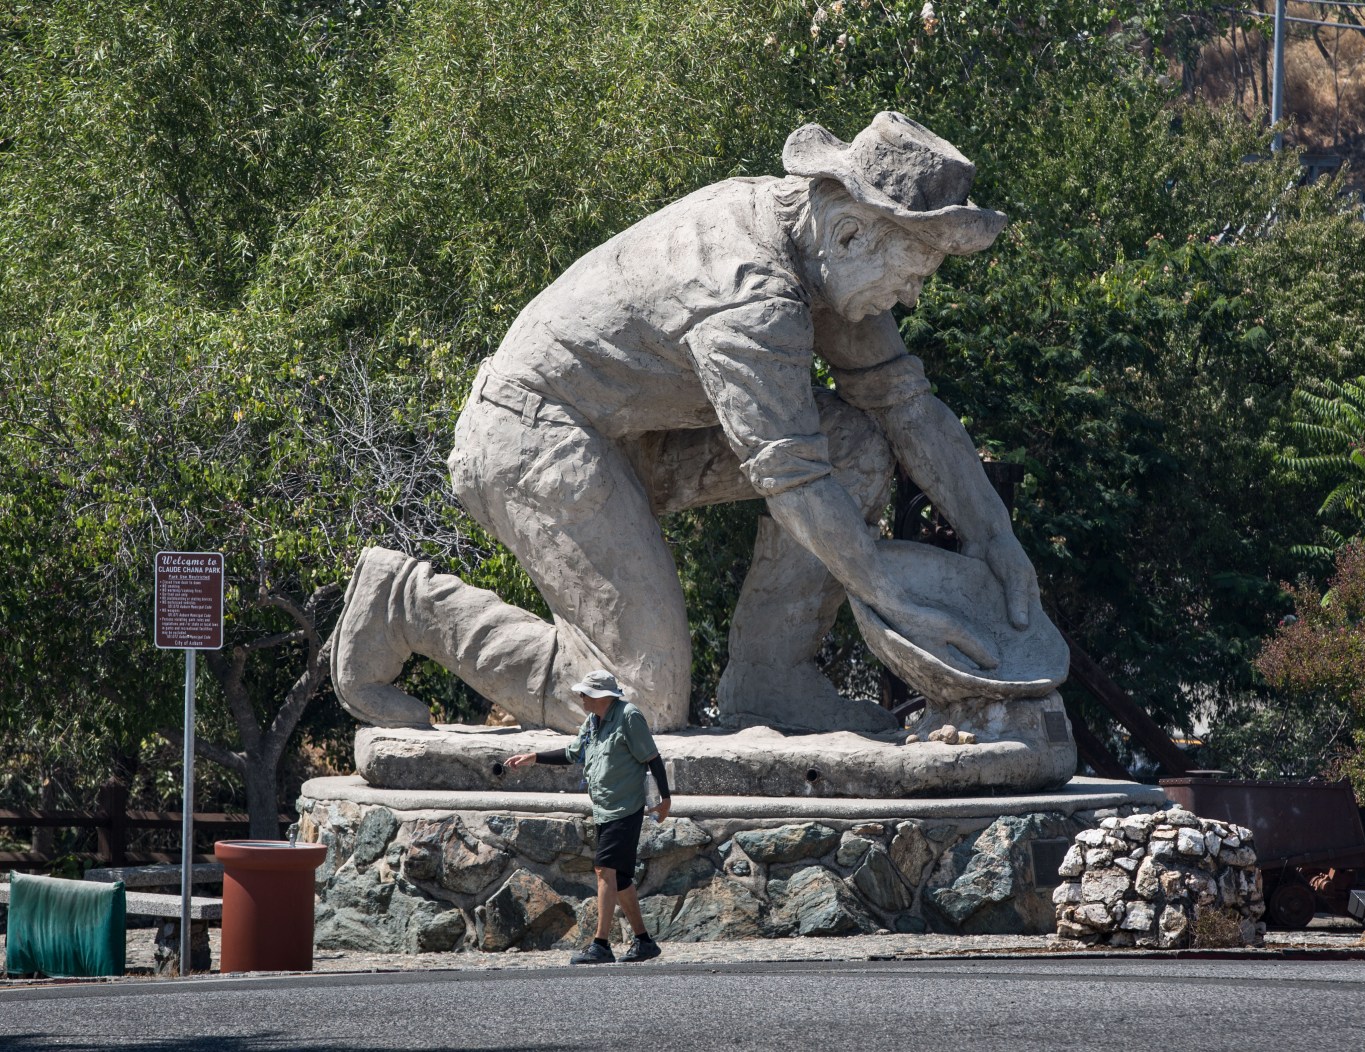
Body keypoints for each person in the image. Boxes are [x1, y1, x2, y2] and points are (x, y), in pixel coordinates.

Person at [332, 110, 1041, 737]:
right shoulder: (751, 296)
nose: (911, 296)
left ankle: (772, 679)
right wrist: (891, 594)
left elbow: (907, 406)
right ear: (853, 232)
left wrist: (995, 540)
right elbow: (793, 479)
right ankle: (409, 606)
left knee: (854, 446)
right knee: (641, 698)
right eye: (912, 271)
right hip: (531, 435)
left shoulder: (819, 249)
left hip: (630, 436)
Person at [503, 669, 671, 964]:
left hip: (625, 808)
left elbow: (652, 758)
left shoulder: (629, 716)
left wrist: (665, 799)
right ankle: (644, 942)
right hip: (604, 809)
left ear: (601, 696)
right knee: (620, 878)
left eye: (585, 693)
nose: (581, 697)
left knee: (604, 871)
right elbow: (573, 753)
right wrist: (535, 758)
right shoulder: (592, 722)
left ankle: (601, 945)